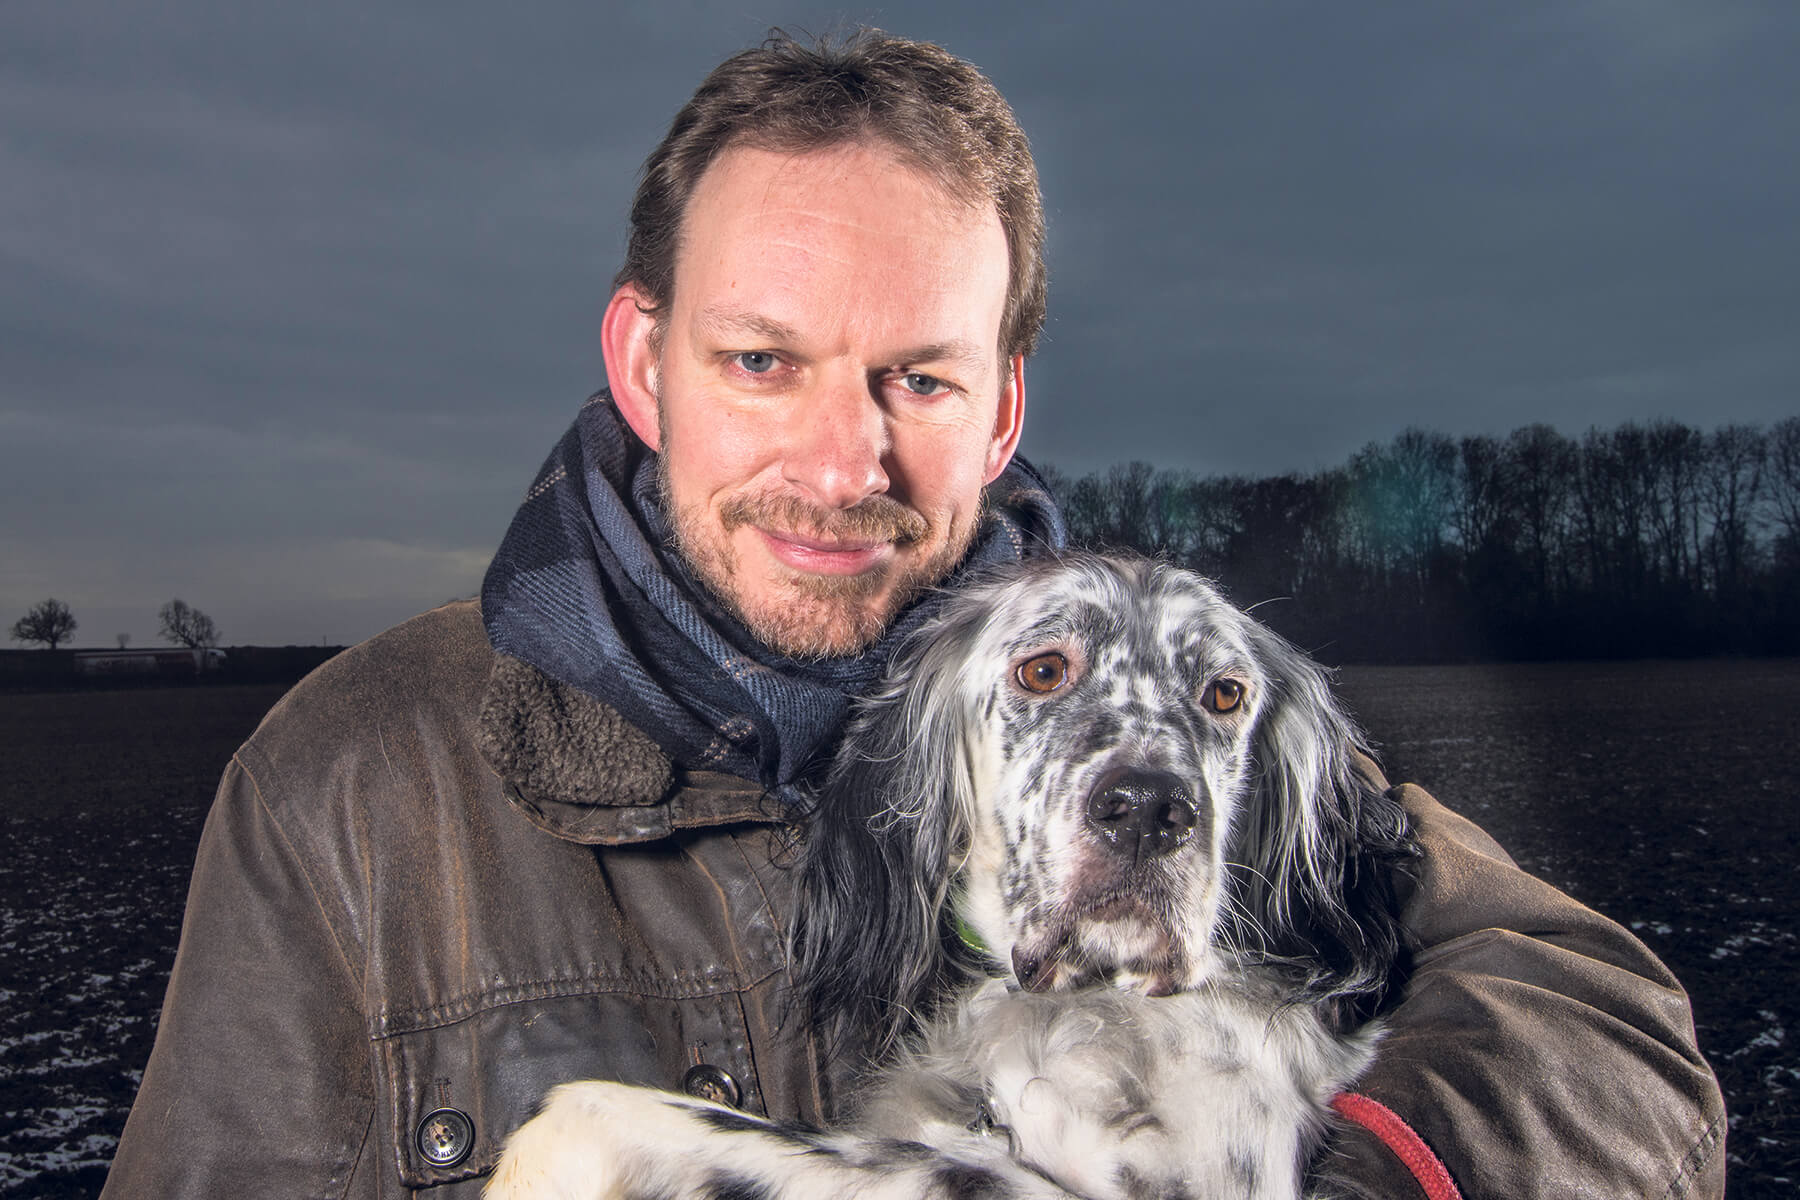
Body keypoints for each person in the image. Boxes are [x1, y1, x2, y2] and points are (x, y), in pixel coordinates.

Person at [102, 30, 1725, 1199]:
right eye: (764, 361)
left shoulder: (1184, 726)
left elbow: (1616, 1039)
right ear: (640, 361)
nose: (842, 458)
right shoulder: (357, 791)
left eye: (917, 378)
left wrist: (1365, 1177)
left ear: (1001, 409)